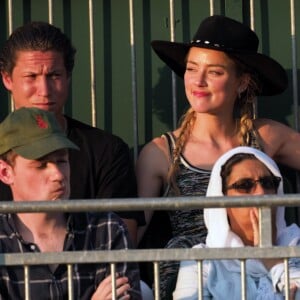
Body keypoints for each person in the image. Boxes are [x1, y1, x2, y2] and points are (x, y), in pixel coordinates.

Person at [136, 14, 300, 298]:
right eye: (191, 68)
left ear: (241, 83)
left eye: (215, 72)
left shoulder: (265, 137)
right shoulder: (161, 152)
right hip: (191, 279)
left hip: (259, 273)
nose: (198, 81)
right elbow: (129, 235)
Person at [0, 21, 145, 247]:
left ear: (68, 77)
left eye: (54, 75)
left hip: (91, 280)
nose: (44, 90)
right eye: (31, 77)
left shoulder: (106, 150)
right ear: (7, 79)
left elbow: (120, 244)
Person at [0, 107, 142, 299]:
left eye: (62, 161)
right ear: (6, 173)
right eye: (41, 165)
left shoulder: (106, 229)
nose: (58, 175)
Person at [173, 146, 300, 299]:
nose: (261, 192)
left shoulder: (295, 245)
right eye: (245, 185)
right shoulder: (201, 260)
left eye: (268, 183)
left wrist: (271, 257)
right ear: (222, 200)